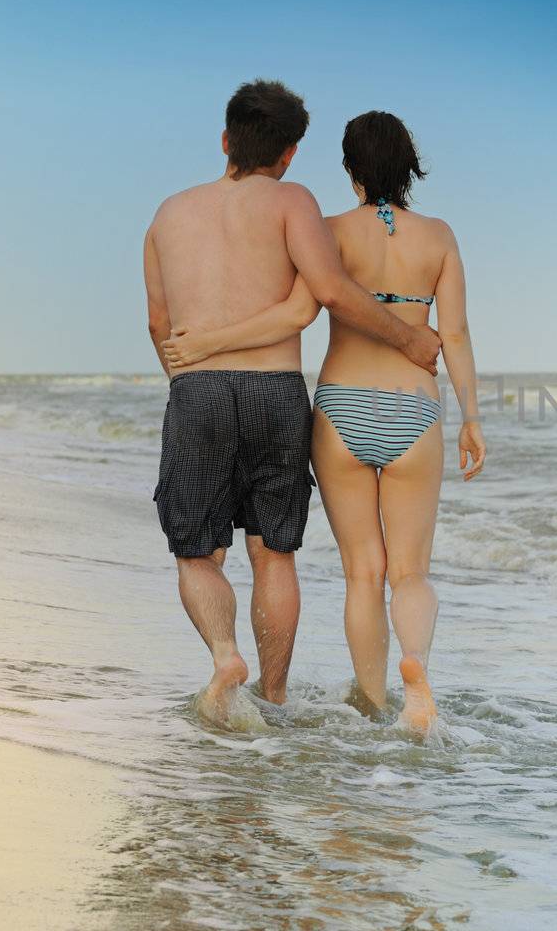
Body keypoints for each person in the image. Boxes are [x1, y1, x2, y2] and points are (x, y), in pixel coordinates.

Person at [161, 111, 485, 734]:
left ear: (349, 168)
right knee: (410, 572)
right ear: (409, 164)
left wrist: (206, 345)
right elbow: (459, 334)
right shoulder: (440, 237)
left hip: (339, 412)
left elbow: (304, 309)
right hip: (414, 410)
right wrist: (471, 418)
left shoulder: (329, 232)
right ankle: (415, 671)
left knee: (363, 572)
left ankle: (370, 701)